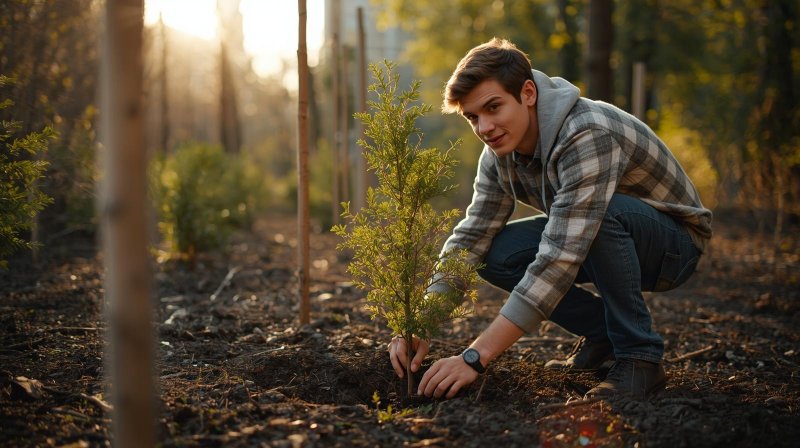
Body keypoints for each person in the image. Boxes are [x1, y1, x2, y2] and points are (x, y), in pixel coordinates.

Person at [387, 38, 712, 400]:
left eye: (494, 107)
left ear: (527, 93)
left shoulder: (587, 133)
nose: (485, 127)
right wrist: (422, 320)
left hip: (672, 246)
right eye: (473, 117)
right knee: (493, 254)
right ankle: (603, 333)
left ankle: (640, 358)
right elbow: (471, 236)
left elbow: (560, 257)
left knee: (600, 217)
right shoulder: (498, 152)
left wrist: (476, 357)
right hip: (602, 236)